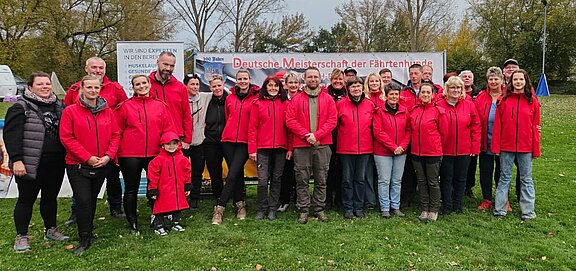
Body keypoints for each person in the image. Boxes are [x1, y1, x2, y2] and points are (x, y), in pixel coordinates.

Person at [4, 72, 68, 253]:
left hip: (55, 162)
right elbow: (11, 136)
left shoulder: (59, 105)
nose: (45, 87)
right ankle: (21, 236)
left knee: (50, 198)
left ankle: (51, 229)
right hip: (30, 162)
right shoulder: (20, 107)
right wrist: (17, 160)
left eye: (47, 84)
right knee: (26, 199)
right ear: (30, 87)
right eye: (40, 84)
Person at [59, 75, 121, 254]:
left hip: (102, 163)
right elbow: (67, 138)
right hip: (78, 165)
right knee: (83, 200)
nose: (93, 91)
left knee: (92, 199)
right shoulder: (70, 111)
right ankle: (84, 238)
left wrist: (109, 156)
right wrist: (87, 157)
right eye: (89, 88)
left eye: (96, 88)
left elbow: (116, 134)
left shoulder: (107, 111)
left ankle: (89, 229)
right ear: (82, 89)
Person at [64, 57, 127, 222]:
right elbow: (67, 113)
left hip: (110, 143)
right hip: (83, 146)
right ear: (86, 68)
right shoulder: (75, 89)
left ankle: (115, 207)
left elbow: (125, 109)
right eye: (94, 67)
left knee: (113, 178)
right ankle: (76, 212)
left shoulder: (115, 88)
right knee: (81, 184)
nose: (97, 71)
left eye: (101, 68)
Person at [115, 74, 175, 234]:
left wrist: (170, 149)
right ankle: (132, 222)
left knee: (157, 187)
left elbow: (168, 129)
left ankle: (157, 217)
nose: (141, 86)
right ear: (133, 87)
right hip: (130, 155)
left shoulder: (160, 106)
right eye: (137, 84)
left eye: (144, 83)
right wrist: (114, 155)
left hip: (155, 154)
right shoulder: (125, 106)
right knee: (131, 189)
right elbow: (117, 131)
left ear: (149, 85)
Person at [286, 66, 337, 224]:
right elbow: (290, 120)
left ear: (320, 78)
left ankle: (319, 208)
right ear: (305, 79)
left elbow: (332, 120)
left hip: (322, 146)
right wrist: (306, 135)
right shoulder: (296, 99)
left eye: (315, 77)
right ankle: (303, 209)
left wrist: (317, 135)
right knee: (302, 179)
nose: (313, 79)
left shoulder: (328, 99)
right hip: (301, 146)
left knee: (322, 179)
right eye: (310, 77)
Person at [211, 69, 259, 225]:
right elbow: (228, 116)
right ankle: (240, 204)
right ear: (236, 80)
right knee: (235, 174)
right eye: (240, 78)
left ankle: (219, 208)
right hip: (228, 141)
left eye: (245, 78)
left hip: (245, 142)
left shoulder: (256, 98)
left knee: (231, 175)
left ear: (249, 79)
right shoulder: (230, 98)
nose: (243, 81)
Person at [492, 69, 540, 221]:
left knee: (526, 179)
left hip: (525, 147)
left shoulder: (533, 101)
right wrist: (496, 147)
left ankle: (528, 211)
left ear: (526, 81)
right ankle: (500, 209)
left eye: (521, 79)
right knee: (504, 177)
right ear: (510, 82)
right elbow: (498, 126)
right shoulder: (503, 101)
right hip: (506, 146)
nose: (518, 82)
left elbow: (535, 126)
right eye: (515, 80)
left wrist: (535, 149)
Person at [437, 76, 481, 215]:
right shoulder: (439, 105)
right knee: (446, 178)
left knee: (461, 178)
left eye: (458, 88)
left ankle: (458, 204)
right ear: (447, 89)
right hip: (445, 149)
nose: (455, 90)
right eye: (452, 87)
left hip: (464, 149)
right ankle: (447, 205)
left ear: (462, 90)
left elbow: (476, 126)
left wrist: (474, 147)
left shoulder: (469, 105)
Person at [248, 76, 290, 220]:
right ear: (265, 87)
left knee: (277, 179)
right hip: (262, 148)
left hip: (281, 147)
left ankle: (272, 208)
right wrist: (252, 149)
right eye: (270, 86)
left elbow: (289, 128)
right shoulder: (257, 103)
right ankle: (261, 208)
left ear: (280, 88)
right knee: (262, 180)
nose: (273, 88)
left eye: (276, 86)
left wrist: (290, 148)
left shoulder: (285, 103)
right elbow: (252, 128)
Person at [336, 76, 375, 219]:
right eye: (353, 86)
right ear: (348, 89)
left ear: (362, 88)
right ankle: (348, 207)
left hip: (365, 149)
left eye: (358, 86)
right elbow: (335, 125)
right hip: (345, 149)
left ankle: (358, 207)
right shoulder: (340, 104)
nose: (356, 89)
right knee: (346, 179)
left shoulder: (370, 105)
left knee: (360, 179)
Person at [409, 83, 447, 222]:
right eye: (422, 92)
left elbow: (444, 133)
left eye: (427, 92)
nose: (425, 95)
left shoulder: (439, 111)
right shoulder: (414, 110)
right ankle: (424, 208)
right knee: (421, 181)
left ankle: (434, 209)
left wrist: (436, 146)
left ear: (433, 95)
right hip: (416, 152)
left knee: (432, 181)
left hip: (432, 152)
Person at [373, 83, 411, 219]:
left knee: (396, 180)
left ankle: (395, 206)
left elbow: (408, 130)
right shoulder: (379, 111)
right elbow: (378, 132)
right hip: (382, 152)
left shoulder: (405, 111)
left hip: (401, 151)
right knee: (384, 180)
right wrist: (393, 146)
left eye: (396, 94)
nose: (394, 97)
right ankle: (385, 208)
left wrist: (402, 146)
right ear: (386, 96)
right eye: (391, 94)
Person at [147, 132, 192, 235]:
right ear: (163, 145)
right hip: (163, 190)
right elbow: (153, 176)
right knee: (160, 208)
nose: (172, 146)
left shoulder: (183, 160)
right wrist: (153, 190)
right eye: (168, 144)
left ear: (178, 144)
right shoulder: (157, 161)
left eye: (174, 144)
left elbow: (187, 173)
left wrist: (187, 186)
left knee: (177, 206)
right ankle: (158, 225)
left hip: (178, 188)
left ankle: (176, 223)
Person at [149, 51, 193, 155]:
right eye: (165, 64)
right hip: (153, 138)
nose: (168, 68)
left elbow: (186, 115)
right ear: (157, 62)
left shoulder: (180, 87)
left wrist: (187, 139)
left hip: (175, 139)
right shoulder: (146, 84)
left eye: (172, 66)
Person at [475, 67, 506, 210]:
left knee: (502, 173)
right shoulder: (481, 97)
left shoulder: (508, 96)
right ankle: (487, 198)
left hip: (503, 143)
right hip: (484, 142)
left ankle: (503, 199)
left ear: (502, 80)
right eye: (490, 79)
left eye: (496, 79)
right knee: (485, 172)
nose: (493, 81)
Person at [185, 74, 212, 209]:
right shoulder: (181, 99)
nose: (195, 87)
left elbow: (223, 91)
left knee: (197, 171)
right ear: (186, 86)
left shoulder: (204, 97)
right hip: (183, 143)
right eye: (192, 84)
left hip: (199, 142)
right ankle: (181, 197)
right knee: (182, 172)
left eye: (197, 84)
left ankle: (195, 197)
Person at [399, 64, 421, 208]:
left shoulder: (429, 91)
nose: (413, 76)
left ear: (422, 74)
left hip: (423, 136)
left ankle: (423, 196)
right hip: (407, 135)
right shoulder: (404, 93)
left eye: (416, 73)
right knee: (407, 170)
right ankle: (407, 197)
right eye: (411, 74)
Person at [278, 71, 301, 212]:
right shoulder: (281, 100)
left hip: (299, 141)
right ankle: (284, 200)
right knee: (284, 174)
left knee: (299, 173)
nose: (293, 85)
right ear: (285, 84)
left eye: (295, 82)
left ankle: (299, 200)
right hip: (284, 142)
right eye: (290, 82)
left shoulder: (303, 99)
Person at [203, 74, 228, 202]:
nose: (217, 88)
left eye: (219, 85)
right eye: (214, 86)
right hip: (211, 142)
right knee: (214, 171)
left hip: (228, 141)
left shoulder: (230, 99)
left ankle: (235, 194)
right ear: (210, 87)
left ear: (223, 85)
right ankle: (218, 196)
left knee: (234, 169)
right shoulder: (206, 101)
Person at [325, 69, 346, 211]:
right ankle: (326, 200)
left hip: (344, 137)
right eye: (335, 79)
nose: (338, 82)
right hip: (327, 136)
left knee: (342, 170)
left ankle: (339, 199)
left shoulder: (348, 94)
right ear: (330, 79)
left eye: (340, 79)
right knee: (327, 170)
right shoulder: (324, 94)